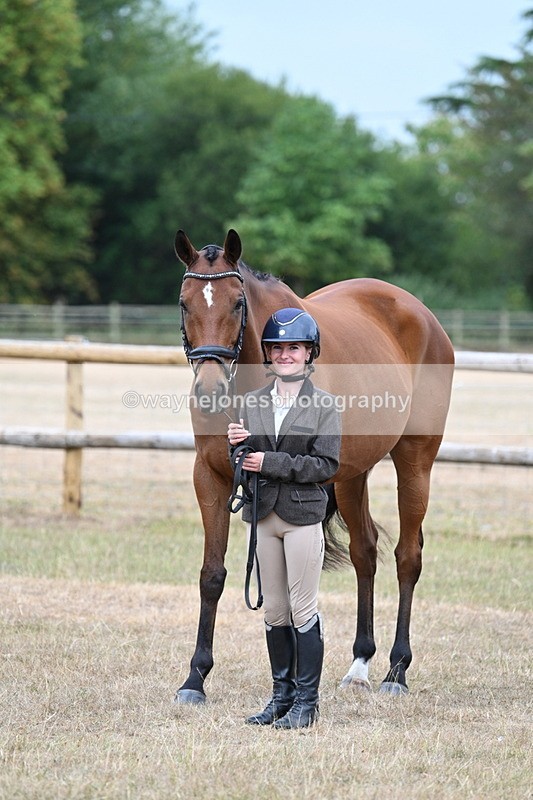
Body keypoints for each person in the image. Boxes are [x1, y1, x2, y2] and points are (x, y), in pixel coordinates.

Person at [227, 307, 341, 729]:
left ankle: (307, 703)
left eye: (294, 347)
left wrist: (267, 460)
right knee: (274, 610)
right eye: (277, 348)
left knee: (303, 609)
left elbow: (326, 466)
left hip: (301, 516)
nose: (285, 354)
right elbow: (241, 463)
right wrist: (236, 447)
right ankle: (282, 696)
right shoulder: (252, 402)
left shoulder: (324, 405)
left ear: (309, 352)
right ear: (268, 354)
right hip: (262, 516)